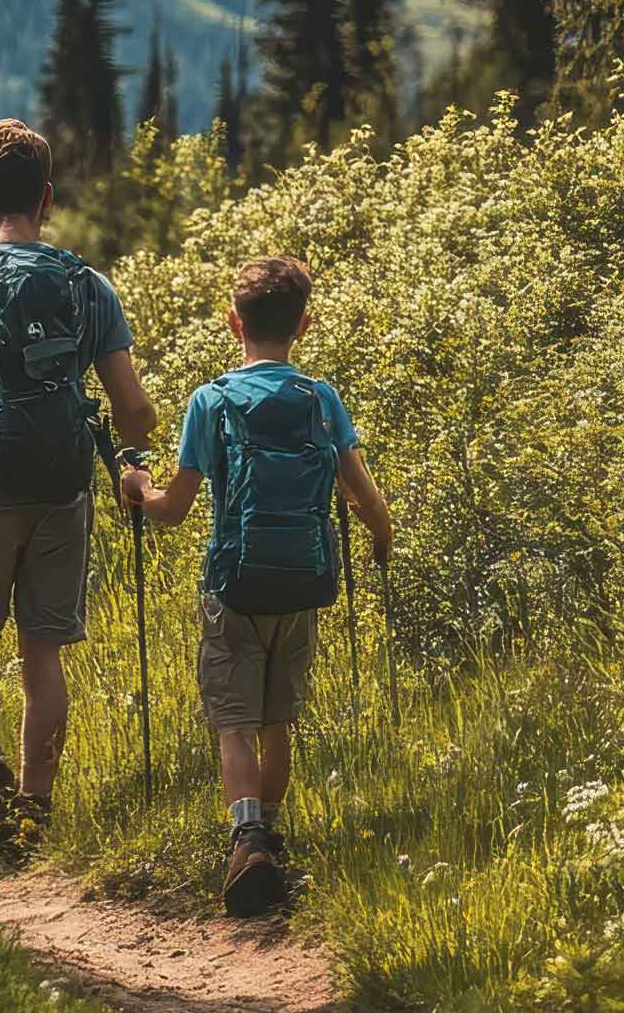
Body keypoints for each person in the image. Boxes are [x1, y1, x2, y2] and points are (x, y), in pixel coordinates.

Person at [0, 118, 157, 857]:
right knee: (44, 655)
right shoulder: (87, 285)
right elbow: (132, 405)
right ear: (48, 197)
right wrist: (131, 463)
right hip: (63, 487)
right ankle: (34, 816)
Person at [121, 256, 393, 917]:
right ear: (302, 324)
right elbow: (363, 495)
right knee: (277, 721)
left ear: (232, 321)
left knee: (234, 725)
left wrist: (138, 489)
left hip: (232, 584)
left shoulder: (210, 401)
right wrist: (381, 540)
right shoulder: (320, 399)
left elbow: (176, 507)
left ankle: (246, 837)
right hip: (303, 583)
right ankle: (269, 835)